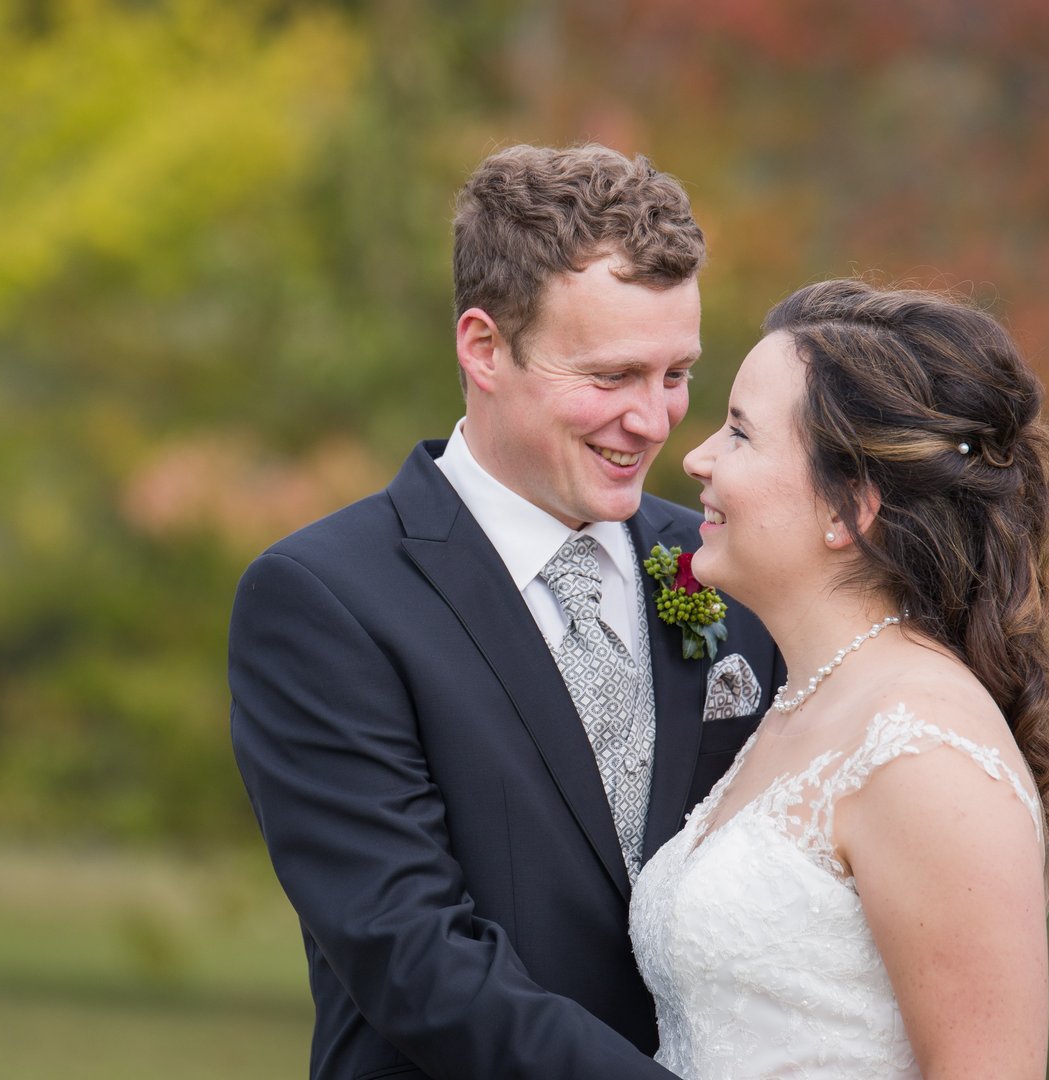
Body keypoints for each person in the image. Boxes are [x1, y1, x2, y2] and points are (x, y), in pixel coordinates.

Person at [229, 143, 783, 1079]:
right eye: (610, 378)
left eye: (675, 374)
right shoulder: (324, 600)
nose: (653, 421)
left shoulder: (733, 568)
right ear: (484, 347)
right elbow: (414, 959)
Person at [630, 278, 1049, 1078]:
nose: (696, 457)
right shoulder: (805, 701)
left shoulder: (925, 753)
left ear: (849, 508)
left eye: (739, 432)